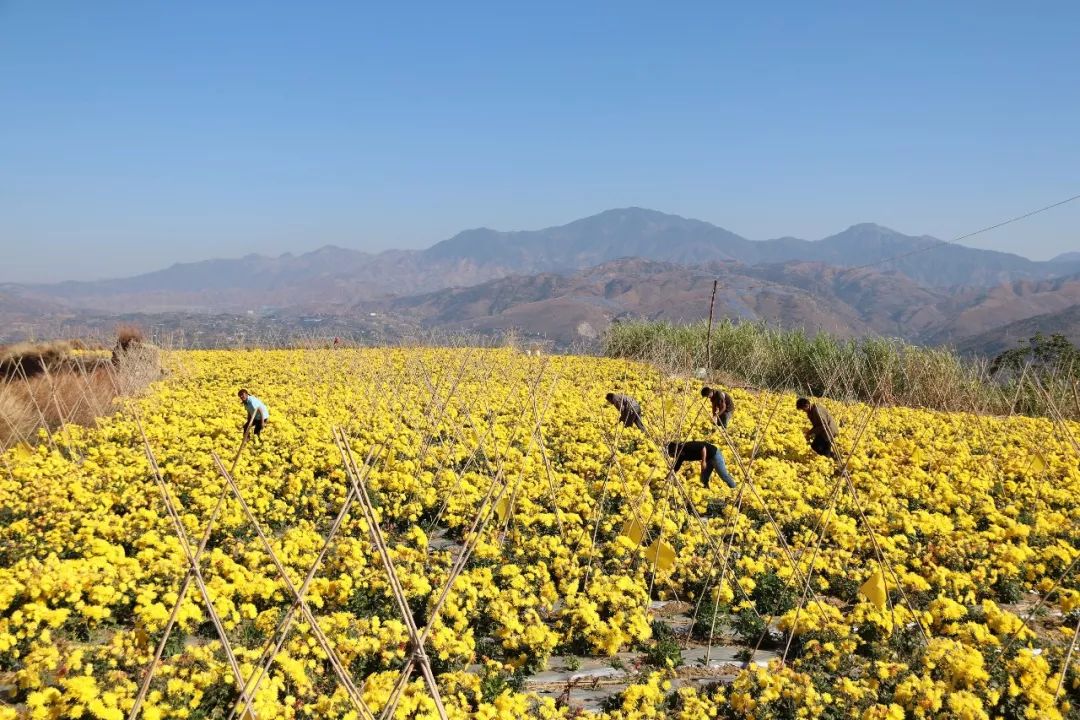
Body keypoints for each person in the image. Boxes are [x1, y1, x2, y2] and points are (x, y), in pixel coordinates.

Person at [666, 441, 737, 489]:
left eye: (673, 454)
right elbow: (675, 468)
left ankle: (734, 488)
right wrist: (667, 478)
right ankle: (706, 491)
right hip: (707, 459)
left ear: (676, 450)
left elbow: (703, 447)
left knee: (723, 475)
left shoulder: (687, 446)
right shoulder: (680, 456)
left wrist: (703, 461)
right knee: (703, 479)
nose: (673, 456)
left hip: (714, 455)